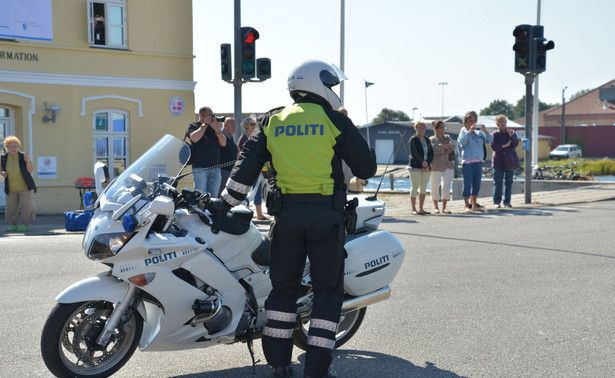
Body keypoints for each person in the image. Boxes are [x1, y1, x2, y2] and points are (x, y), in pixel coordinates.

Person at [215, 60, 376, 378]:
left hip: (285, 220)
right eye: (330, 84)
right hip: (325, 219)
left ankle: (279, 366)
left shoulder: (272, 121)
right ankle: (316, 370)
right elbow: (367, 168)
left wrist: (225, 203)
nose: (333, 90)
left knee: (283, 292)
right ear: (318, 85)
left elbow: (245, 168)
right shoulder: (333, 121)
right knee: (327, 293)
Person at [186, 106, 226, 197]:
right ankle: (200, 211)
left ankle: (210, 212)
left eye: (212, 115)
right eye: (209, 115)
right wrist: (204, 125)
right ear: (201, 115)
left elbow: (223, 143)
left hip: (215, 168)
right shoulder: (193, 126)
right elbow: (194, 138)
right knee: (200, 197)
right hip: (200, 168)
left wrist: (217, 130)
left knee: (213, 198)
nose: (211, 117)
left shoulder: (213, 129)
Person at [458, 114, 493, 213]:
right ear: (465, 123)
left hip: (478, 161)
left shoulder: (479, 133)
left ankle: (474, 205)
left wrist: (485, 131)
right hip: (468, 162)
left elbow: (490, 140)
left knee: (476, 184)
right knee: (467, 184)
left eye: (473, 121)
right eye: (470, 121)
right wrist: (470, 131)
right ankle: (466, 205)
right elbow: (462, 142)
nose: (472, 123)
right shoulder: (463, 132)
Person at [1, 136, 36, 232]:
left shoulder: (23, 156)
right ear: (6, 147)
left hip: (25, 187)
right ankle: (14, 225)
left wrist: (27, 161)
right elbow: (2, 170)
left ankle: (25, 225)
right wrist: (3, 173)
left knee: (26, 206)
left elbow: (30, 170)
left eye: (15, 146)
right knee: (11, 207)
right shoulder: (4, 158)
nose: (13, 148)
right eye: (11, 146)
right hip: (11, 188)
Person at [238, 117, 268, 220]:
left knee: (258, 190)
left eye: (255, 124)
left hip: (259, 167)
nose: (254, 126)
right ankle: (243, 212)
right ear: (246, 126)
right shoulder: (244, 138)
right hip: (248, 168)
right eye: (251, 124)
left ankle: (259, 214)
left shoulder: (258, 137)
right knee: (245, 191)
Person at [490, 115, 519, 208]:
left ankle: (507, 202)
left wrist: (510, 135)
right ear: (497, 124)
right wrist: (505, 145)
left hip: (509, 160)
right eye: (500, 122)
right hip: (498, 161)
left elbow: (515, 144)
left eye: (504, 121)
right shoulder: (495, 134)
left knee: (509, 182)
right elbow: (494, 147)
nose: (502, 123)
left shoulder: (511, 132)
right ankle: (497, 202)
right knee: (498, 182)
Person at [407, 121, 433, 215]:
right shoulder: (413, 139)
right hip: (415, 167)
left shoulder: (427, 140)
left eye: (423, 128)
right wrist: (423, 163)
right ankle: (414, 209)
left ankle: (421, 208)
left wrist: (428, 163)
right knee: (415, 187)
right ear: (415, 129)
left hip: (426, 168)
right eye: (419, 128)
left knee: (423, 188)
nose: (421, 130)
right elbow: (415, 153)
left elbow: (431, 153)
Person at [429, 120, 455, 214]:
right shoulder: (432, 139)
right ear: (435, 129)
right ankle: (436, 207)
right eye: (441, 127)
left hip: (448, 164)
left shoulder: (447, 137)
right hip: (436, 165)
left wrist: (444, 146)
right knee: (435, 186)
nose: (443, 129)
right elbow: (436, 150)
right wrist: (447, 148)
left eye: (444, 127)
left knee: (446, 185)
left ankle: (444, 207)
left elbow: (453, 145)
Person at [218, 117, 238, 196]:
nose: (233, 128)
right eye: (231, 125)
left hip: (230, 170)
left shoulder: (231, 138)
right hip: (223, 170)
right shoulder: (221, 136)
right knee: (220, 193)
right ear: (224, 125)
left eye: (235, 126)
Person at [337, 107, 353, 192]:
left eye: (345, 114)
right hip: (337, 157)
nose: (344, 115)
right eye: (341, 113)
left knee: (347, 178)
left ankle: (345, 195)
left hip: (347, 158)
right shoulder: (333, 124)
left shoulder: (350, 126)